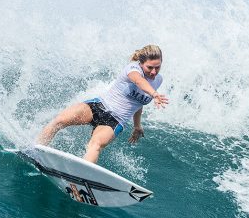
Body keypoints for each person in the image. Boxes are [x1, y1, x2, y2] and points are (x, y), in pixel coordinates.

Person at [36, 44, 169, 163]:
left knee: (95, 145)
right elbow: (139, 81)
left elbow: (138, 103)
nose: (154, 72)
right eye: (150, 67)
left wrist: (137, 126)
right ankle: (36, 152)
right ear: (141, 63)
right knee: (59, 120)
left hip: (115, 121)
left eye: (157, 67)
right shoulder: (133, 69)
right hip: (98, 106)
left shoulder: (158, 80)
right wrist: (154, 94)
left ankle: (83, 178)